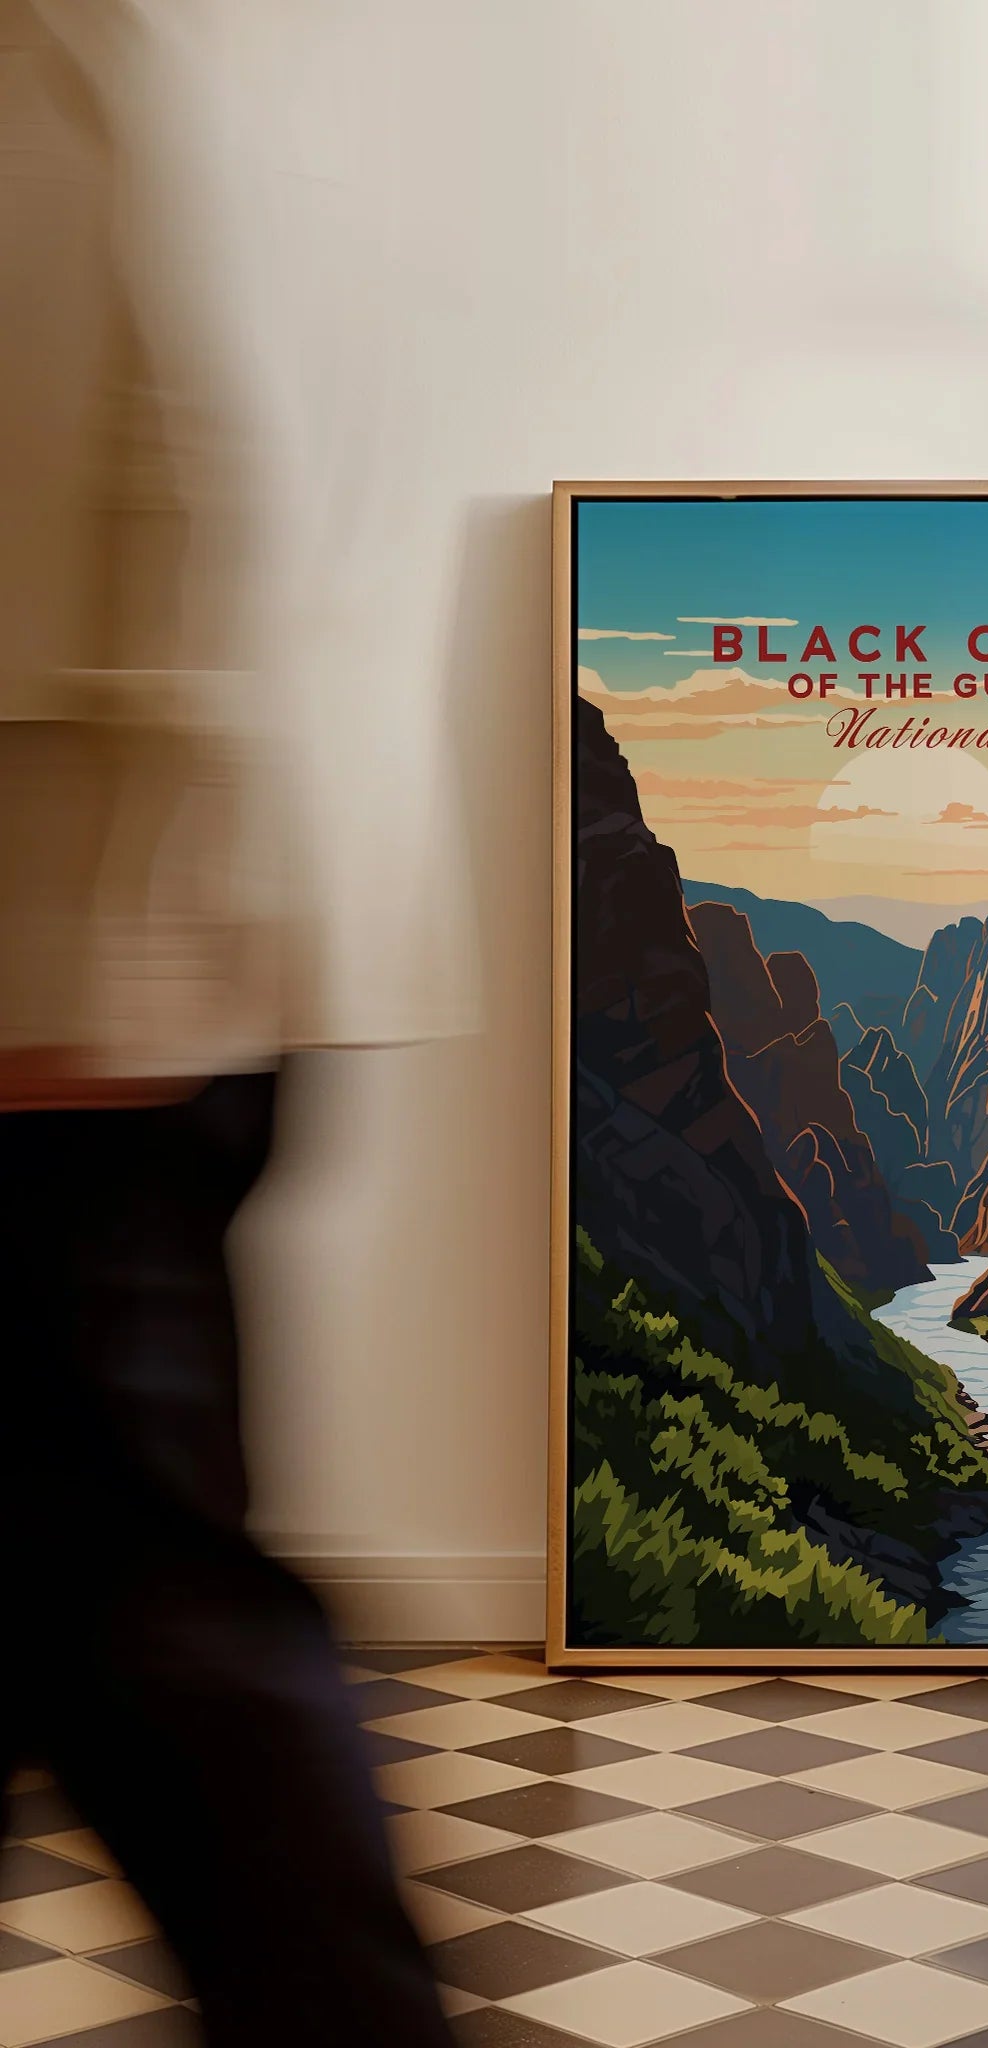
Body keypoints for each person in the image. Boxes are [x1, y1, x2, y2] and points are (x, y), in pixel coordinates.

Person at [0, 6, 459, 2041]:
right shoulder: (228, 62)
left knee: (156, 1614)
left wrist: (111, 946)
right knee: (124, 1587)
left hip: (78, 968)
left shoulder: (79, 52)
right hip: (141, 948)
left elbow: (202, 465)